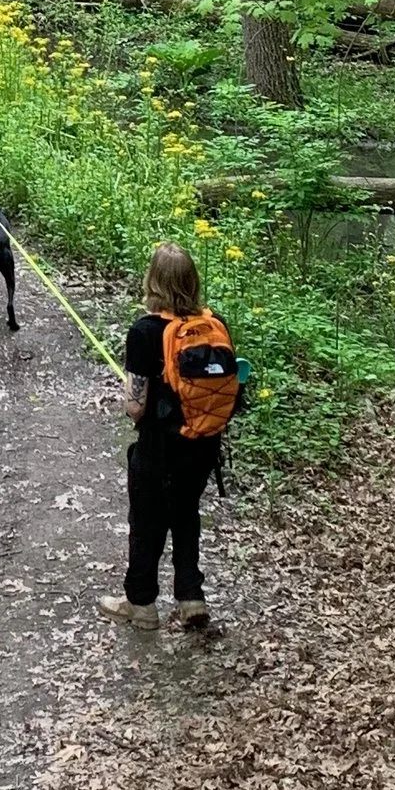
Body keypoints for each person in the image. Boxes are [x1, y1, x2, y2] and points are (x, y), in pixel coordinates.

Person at [97, 240, 230, 630]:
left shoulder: (144, 331)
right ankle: (191, 597)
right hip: (204, 445)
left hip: (160, 448)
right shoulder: (214, 325)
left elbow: (135, 408)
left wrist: (131, 388)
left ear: (152, 281)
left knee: (146, 522)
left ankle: (141, 605)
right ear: (192, 281)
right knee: (186, 512)